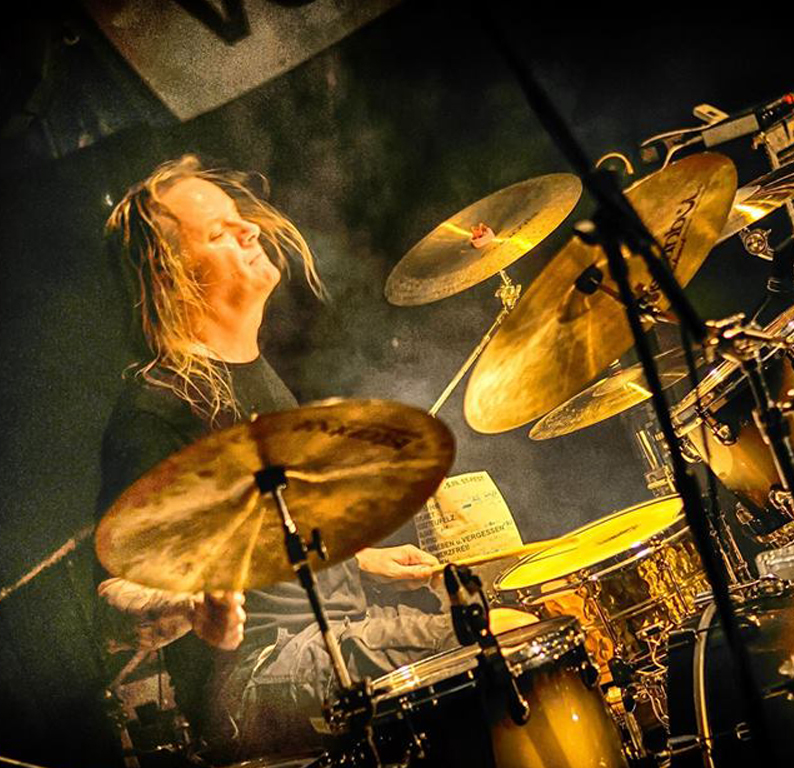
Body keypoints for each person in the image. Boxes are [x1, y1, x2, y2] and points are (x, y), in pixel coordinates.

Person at [94, 155, 531, 762]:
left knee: (521, 613)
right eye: (219, 233)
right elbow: (112, 596)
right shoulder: (160, 402)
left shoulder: (252, 372)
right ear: (175, 277)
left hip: (329, 635)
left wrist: (362, 560)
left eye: (238, 217)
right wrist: (192, 606)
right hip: (259, 671)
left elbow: (271, 532)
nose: (249, 229)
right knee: (511, 636)